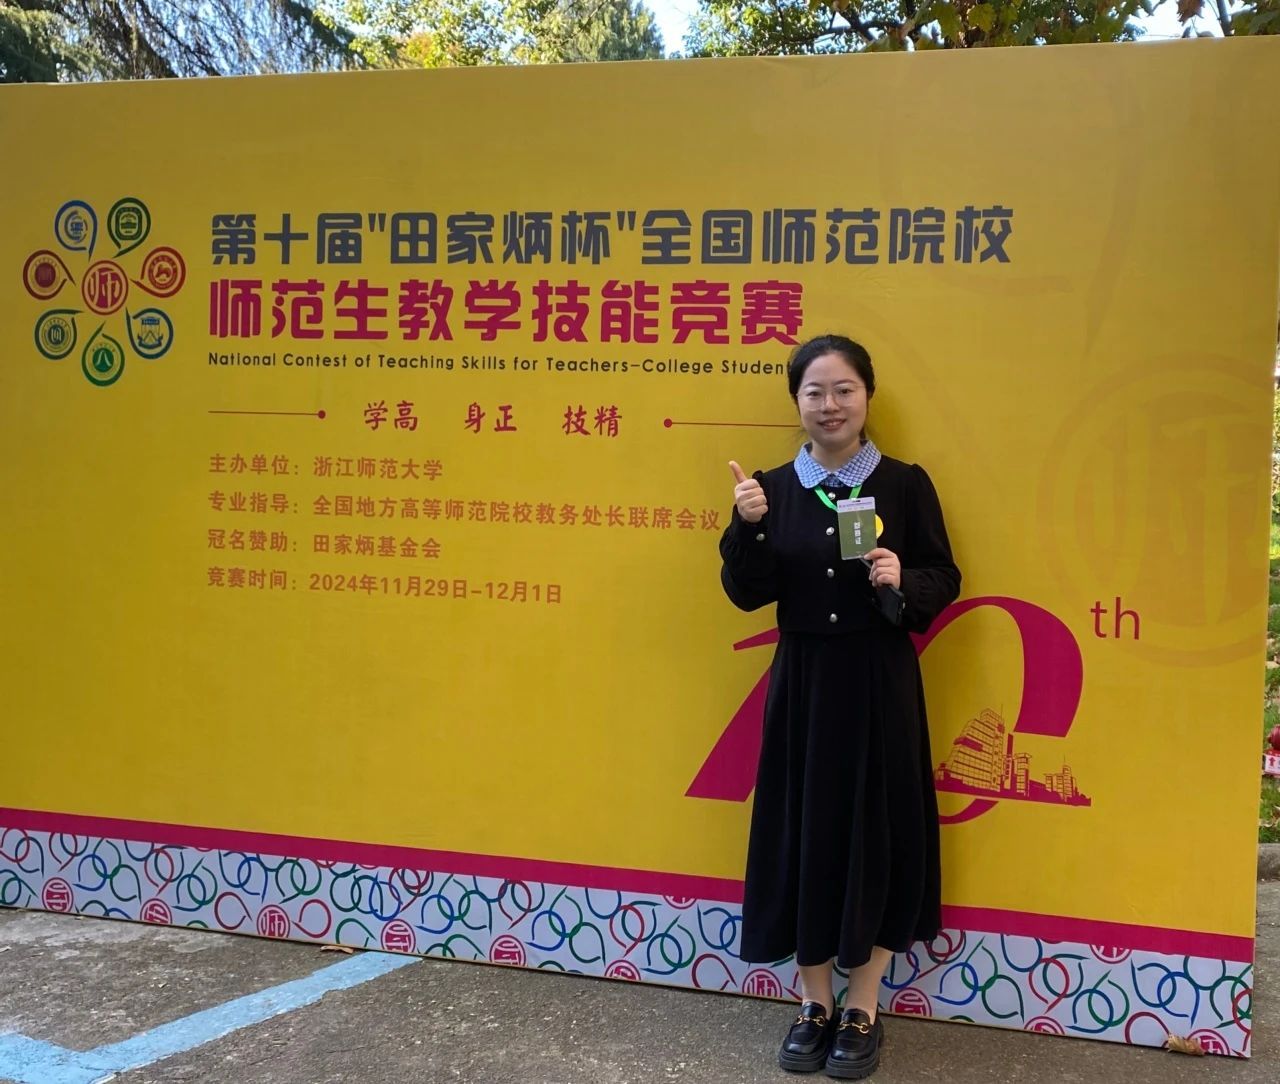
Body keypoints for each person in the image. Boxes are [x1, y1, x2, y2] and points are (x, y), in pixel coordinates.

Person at [718, 334, 960, 1079]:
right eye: (815, 391)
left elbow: (944, 575)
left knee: (878, 833)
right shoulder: (769, 489)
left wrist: (901, 578)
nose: (830, 405)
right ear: (797, 401)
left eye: (844, 389)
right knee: (805, 832)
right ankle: (813, 1001)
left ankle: (864, 1003)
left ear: (867, 396)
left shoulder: (905, 484)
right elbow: (747, 592)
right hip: (805, 685)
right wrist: (747, 527)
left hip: (880, 681)